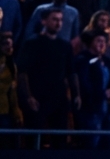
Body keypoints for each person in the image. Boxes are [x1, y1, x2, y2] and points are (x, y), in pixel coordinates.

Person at [17, 8, 77, 148]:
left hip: (58, 97)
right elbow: (22, 72)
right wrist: (28, 96)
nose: (58, 23)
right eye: (54, 19)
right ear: (44, 21)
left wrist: (76, 94)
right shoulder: (32, 43)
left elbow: (71, 72)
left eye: (60, 20)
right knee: (33, 137)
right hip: (38, 96)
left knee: (60, 138)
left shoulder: (64, 45)